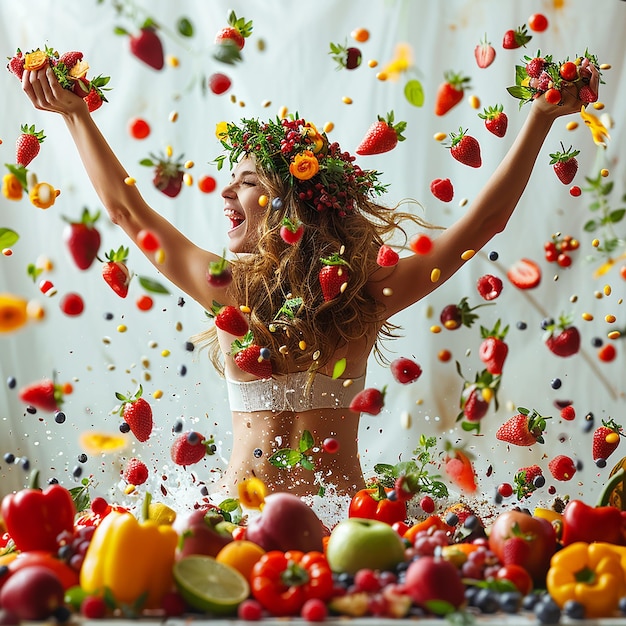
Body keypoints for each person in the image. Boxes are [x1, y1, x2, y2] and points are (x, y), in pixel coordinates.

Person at [20, 61, 597, 499]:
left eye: (245, 181)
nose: (225, 193)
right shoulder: (231, 286)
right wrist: (76, 113)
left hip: (343, 521)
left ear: (291, 200)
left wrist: (540, 117)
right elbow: (127, 212)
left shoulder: (362, 290)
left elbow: (483, 224)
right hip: (238, 521)